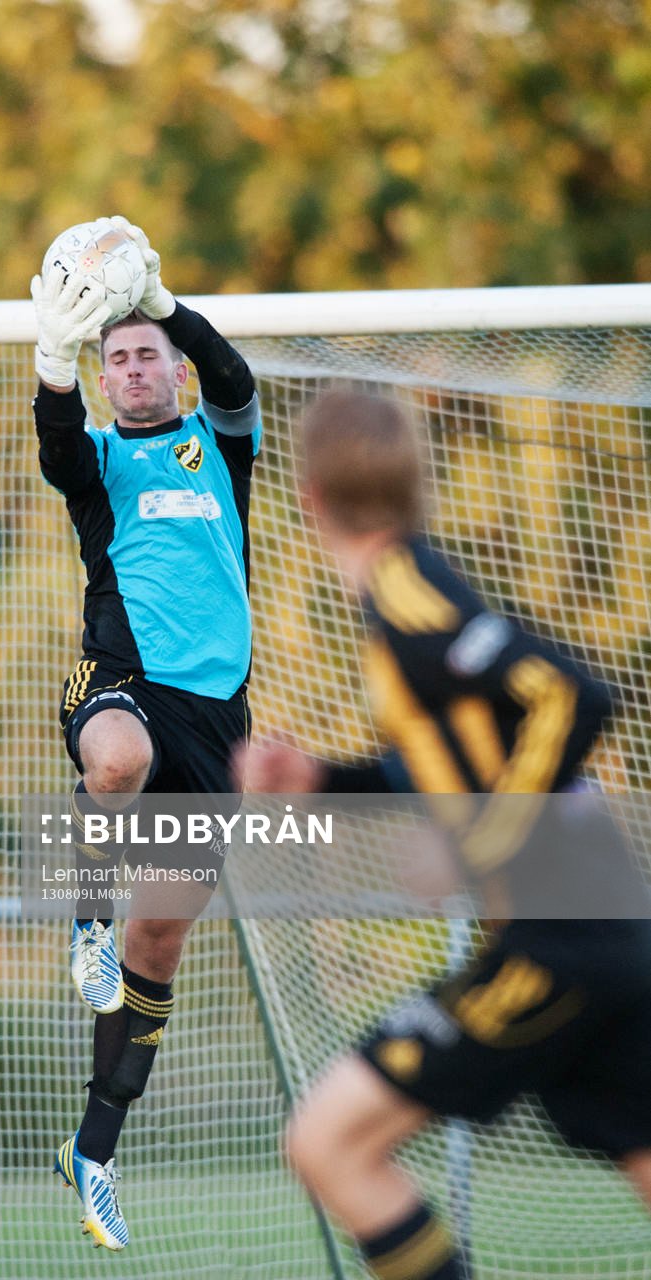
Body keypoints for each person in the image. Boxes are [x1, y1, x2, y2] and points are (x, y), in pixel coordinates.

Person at [236, 388, 651, 1280]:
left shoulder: (406, 591)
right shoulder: (403, 591)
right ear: (412, 480)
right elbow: (457, 766)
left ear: (306, 496)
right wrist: (321, 779)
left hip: (559, 943)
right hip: (601, 930)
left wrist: (480, 849)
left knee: (327, 1143)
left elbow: (572, 696)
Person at [32, 216, 260, 1249]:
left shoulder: (217, 445)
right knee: (113, 760)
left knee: (159, 938)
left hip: (215, 717)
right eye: (113, 356)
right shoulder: (96, 468)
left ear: (169, 371)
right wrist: (49, 360)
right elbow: (52, 443)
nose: (130, 369)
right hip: (120, 678)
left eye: (145, 355)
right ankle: (82, 912)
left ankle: (93, 1150)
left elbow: (234, 371)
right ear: (101, 375)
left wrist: (164, 303)